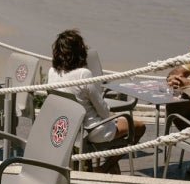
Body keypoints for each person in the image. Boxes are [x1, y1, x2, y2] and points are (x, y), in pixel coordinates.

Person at [47, 29, 146, 175]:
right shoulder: (83, 74)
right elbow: (104, 112)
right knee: (139, 127)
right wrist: (114, 115)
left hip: (69, 129)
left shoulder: (52, 72)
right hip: (91, 130)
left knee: (119, 125)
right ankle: (103, 168)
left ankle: (111, 168)